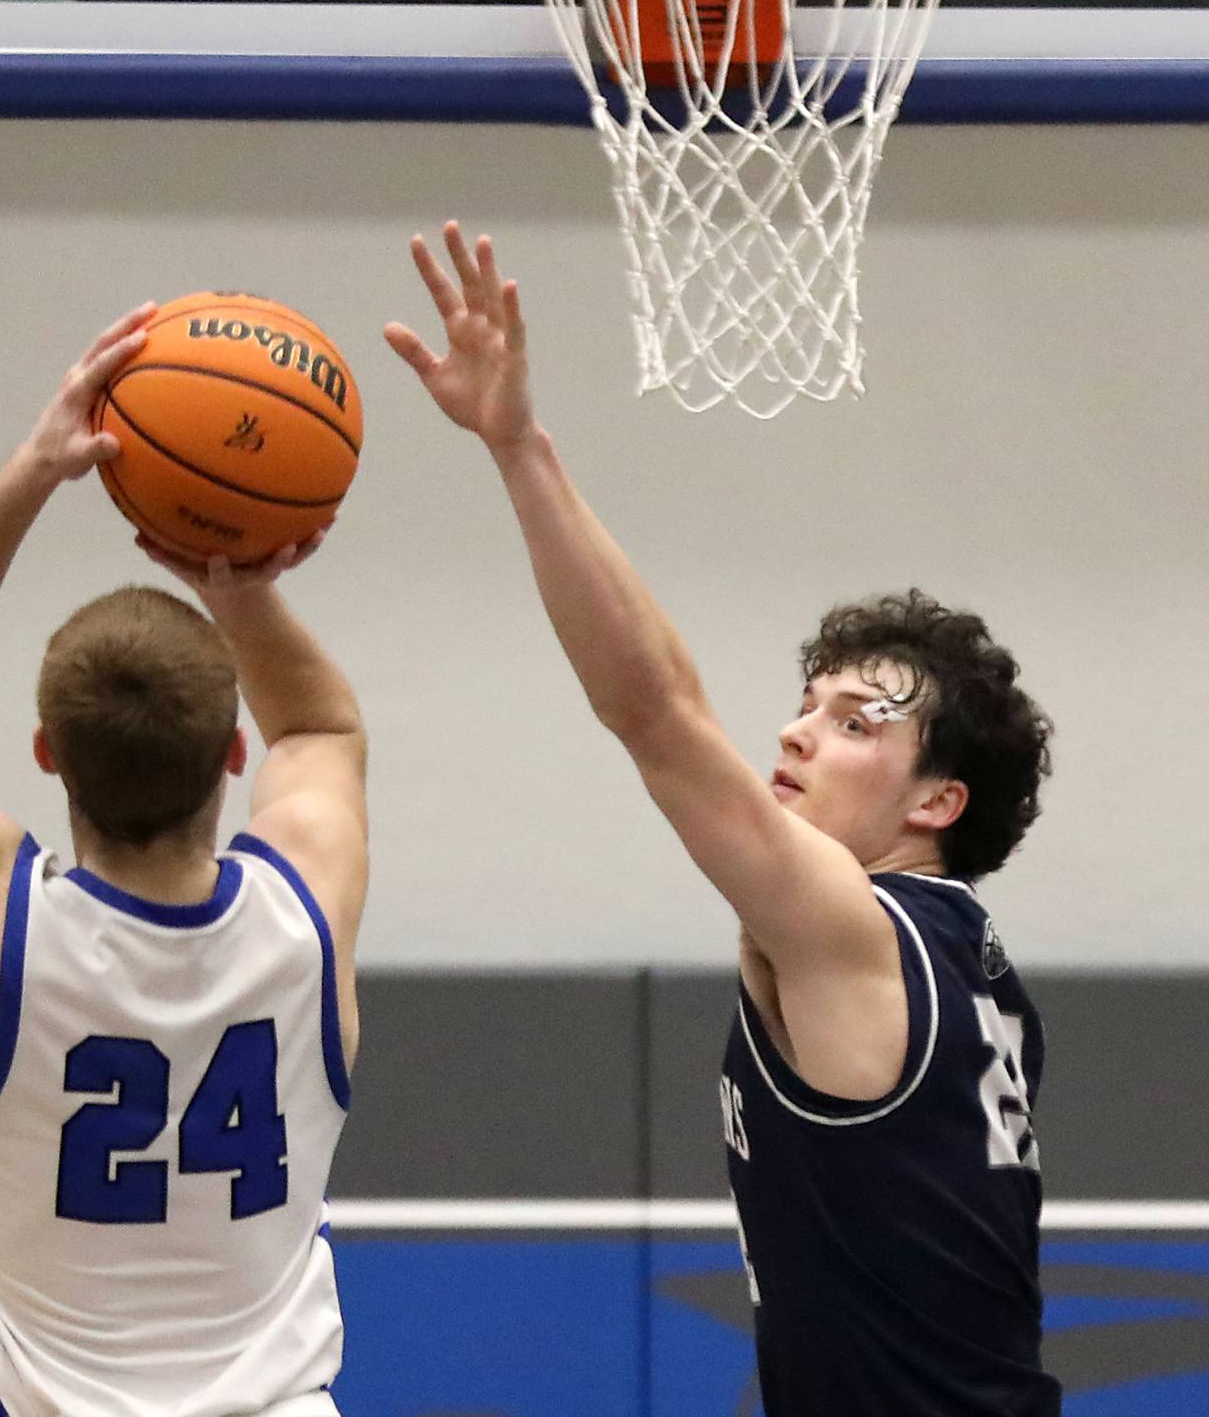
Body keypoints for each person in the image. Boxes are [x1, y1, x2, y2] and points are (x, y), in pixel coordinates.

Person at [385, 224, 1061, 1417]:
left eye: (857, 722)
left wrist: (517, 444)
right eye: (806, 706)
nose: (799, 733)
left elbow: (653, 710)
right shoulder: (974, 971)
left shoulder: (850, 926)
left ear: (936, 800)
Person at [0, 306, 368, 1417]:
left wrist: (36, 472)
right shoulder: (304, 913)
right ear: (234, 754)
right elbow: (322, 732)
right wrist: (238, 583)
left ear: (46, 755)